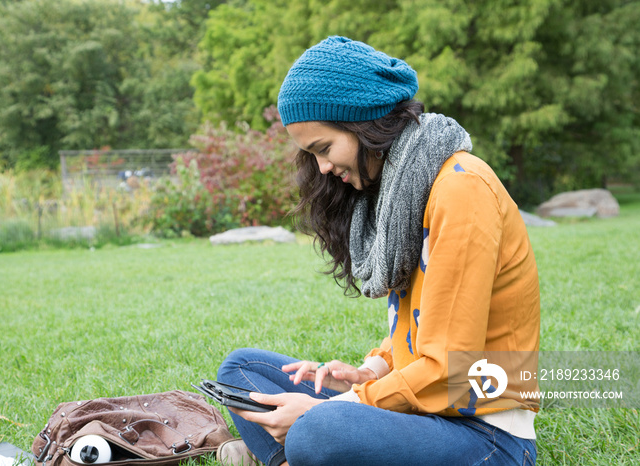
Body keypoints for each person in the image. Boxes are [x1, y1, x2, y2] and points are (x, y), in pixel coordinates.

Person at [215, 36, 540, 466]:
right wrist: (373, 371)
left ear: (364, 123)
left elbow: (446, 369)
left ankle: (292, 452)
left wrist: (337, 405)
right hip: (421, 411)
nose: (323, 169)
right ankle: (296, 456)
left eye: (324, 149)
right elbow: (418, 327)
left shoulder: (462, 190)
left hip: (484, 432)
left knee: (317, 429)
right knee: (241, 371)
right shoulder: (403, 188)